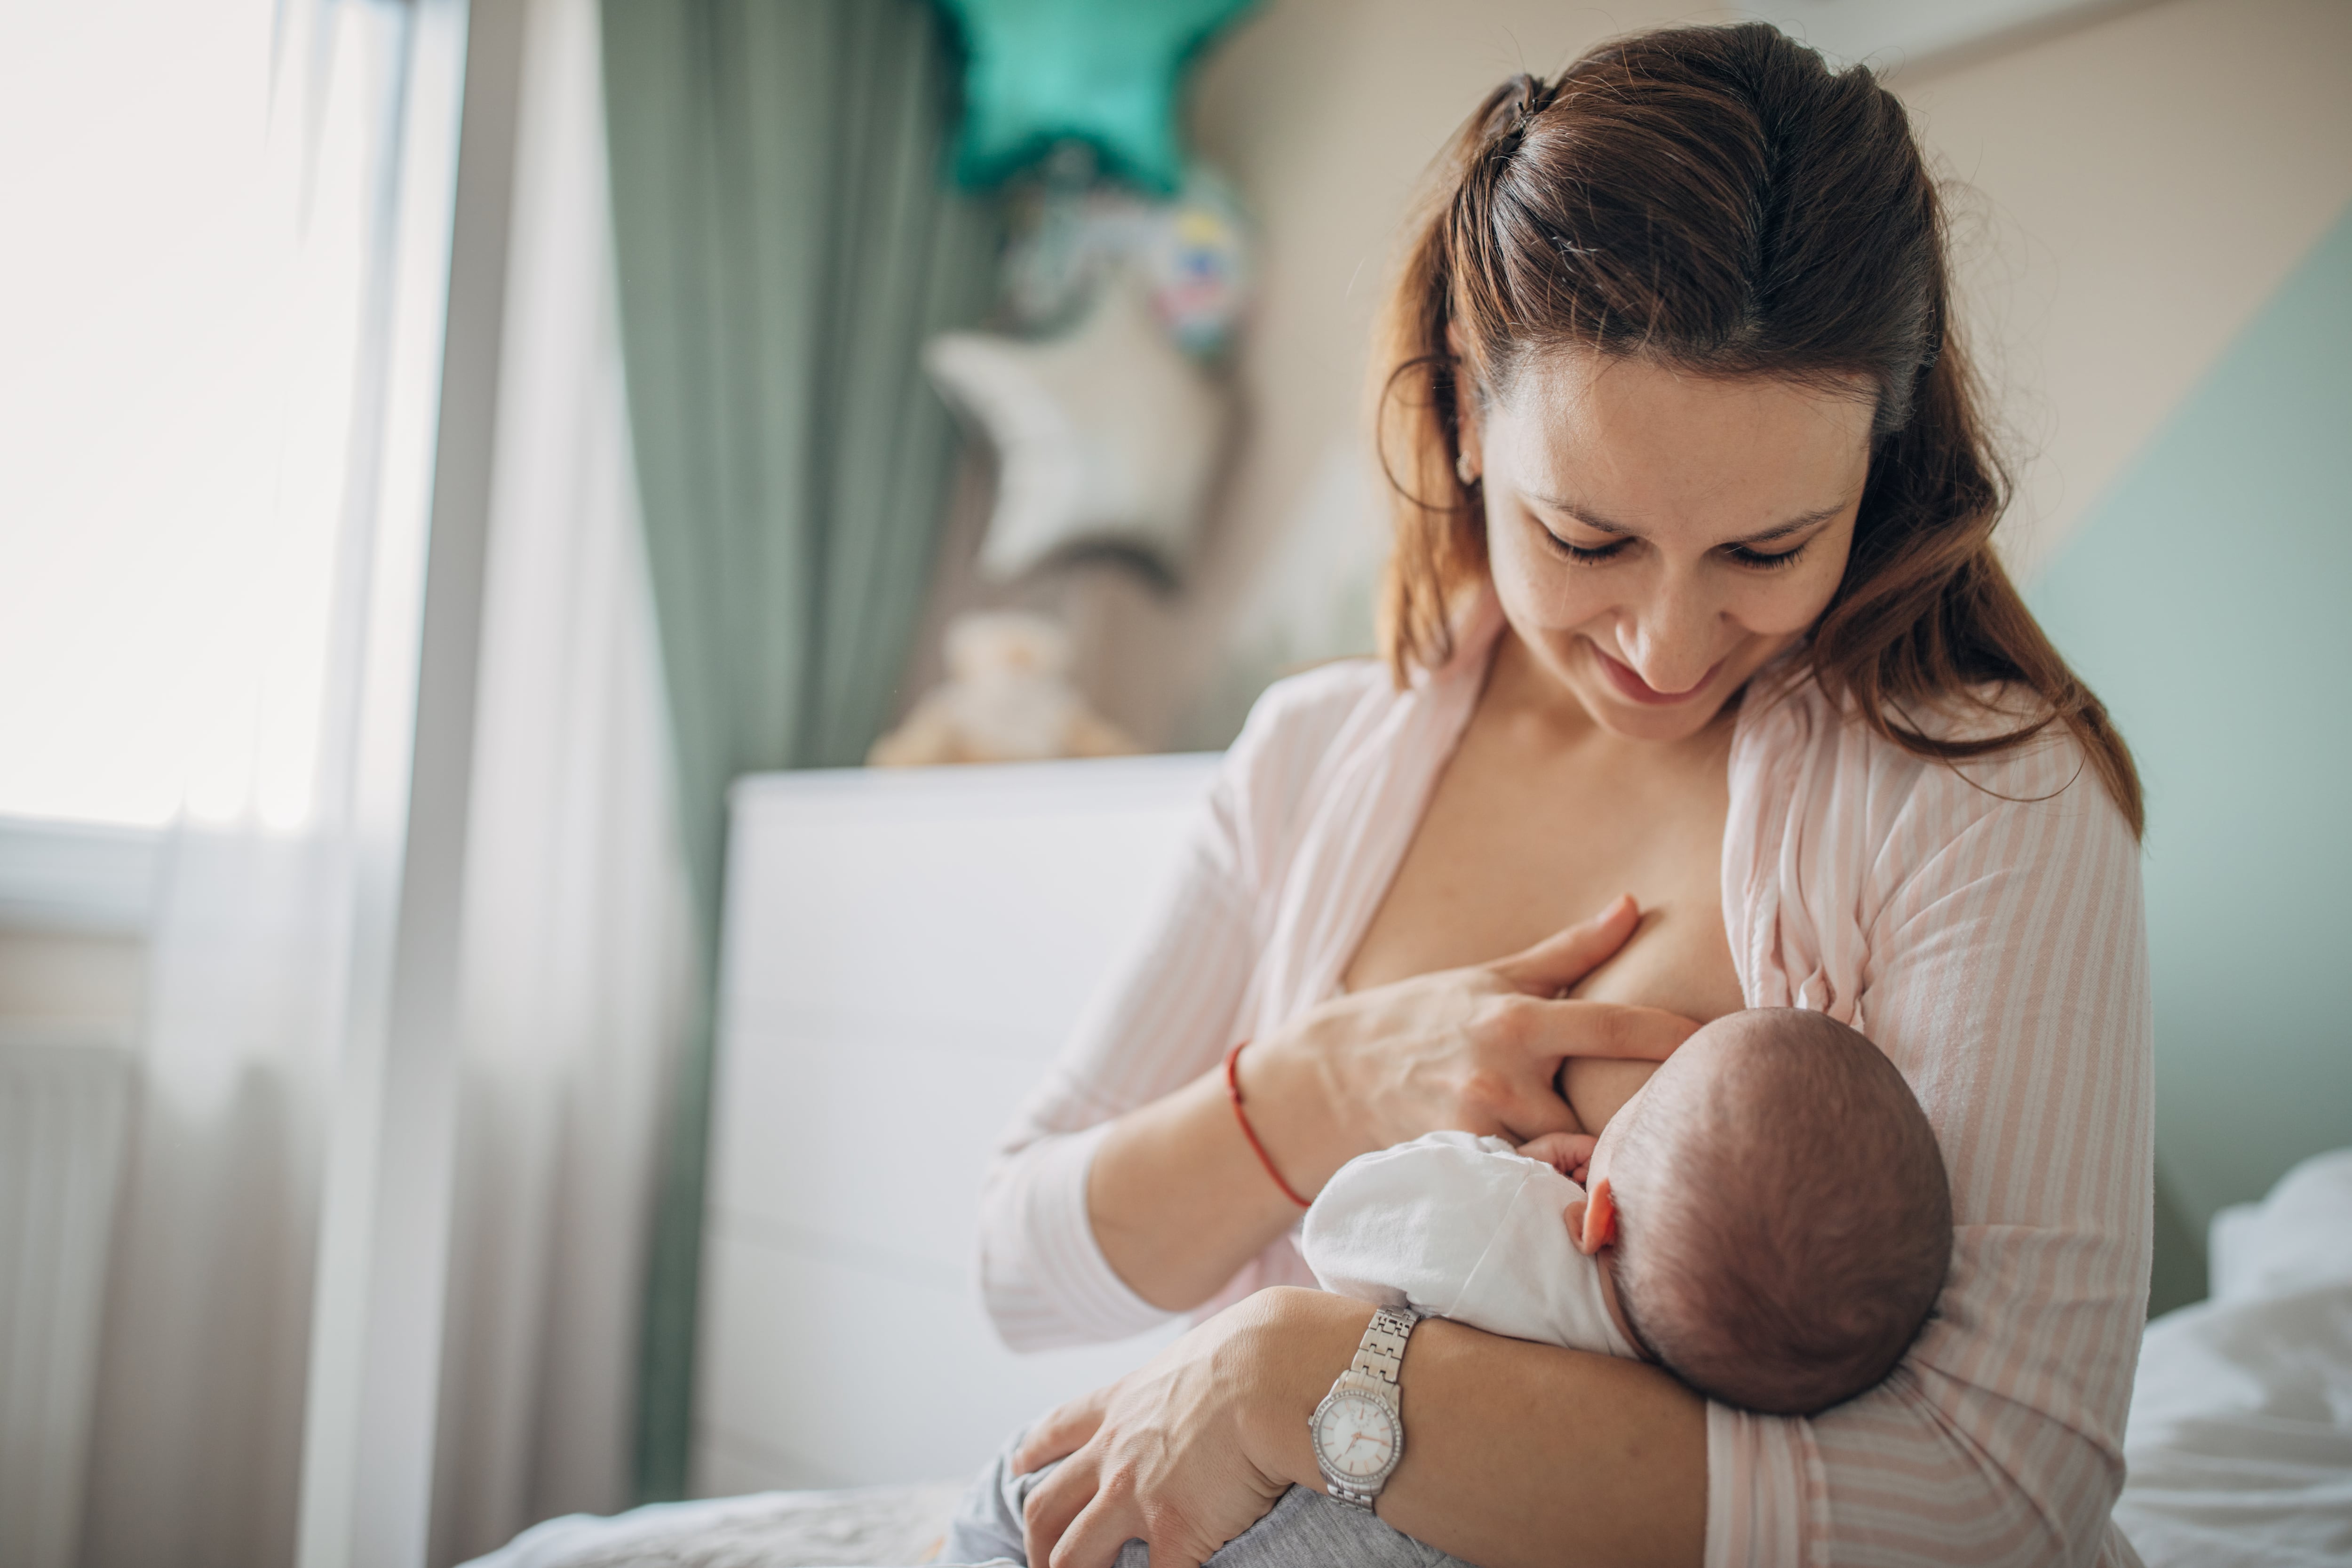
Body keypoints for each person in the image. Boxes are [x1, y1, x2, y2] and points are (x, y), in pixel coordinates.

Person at [977, 21, 2152, 1568]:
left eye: (1765, 549)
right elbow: (1022, 1265)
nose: (1667, 646)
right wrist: (1328, 1085)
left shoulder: (1981, 798)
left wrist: (1297, 1376)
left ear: (1880, 462)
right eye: (1588, 539)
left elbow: (1998, 1486)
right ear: (1465, 412)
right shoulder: (1314, 756)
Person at [942, 1009, 1955, 1567]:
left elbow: (1346, 1228)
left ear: (1595, 1207)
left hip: (1269, 1515)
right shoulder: (1714, 1378)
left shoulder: (1517, 1235)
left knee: (1016, 1501)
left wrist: (1494, 1165)